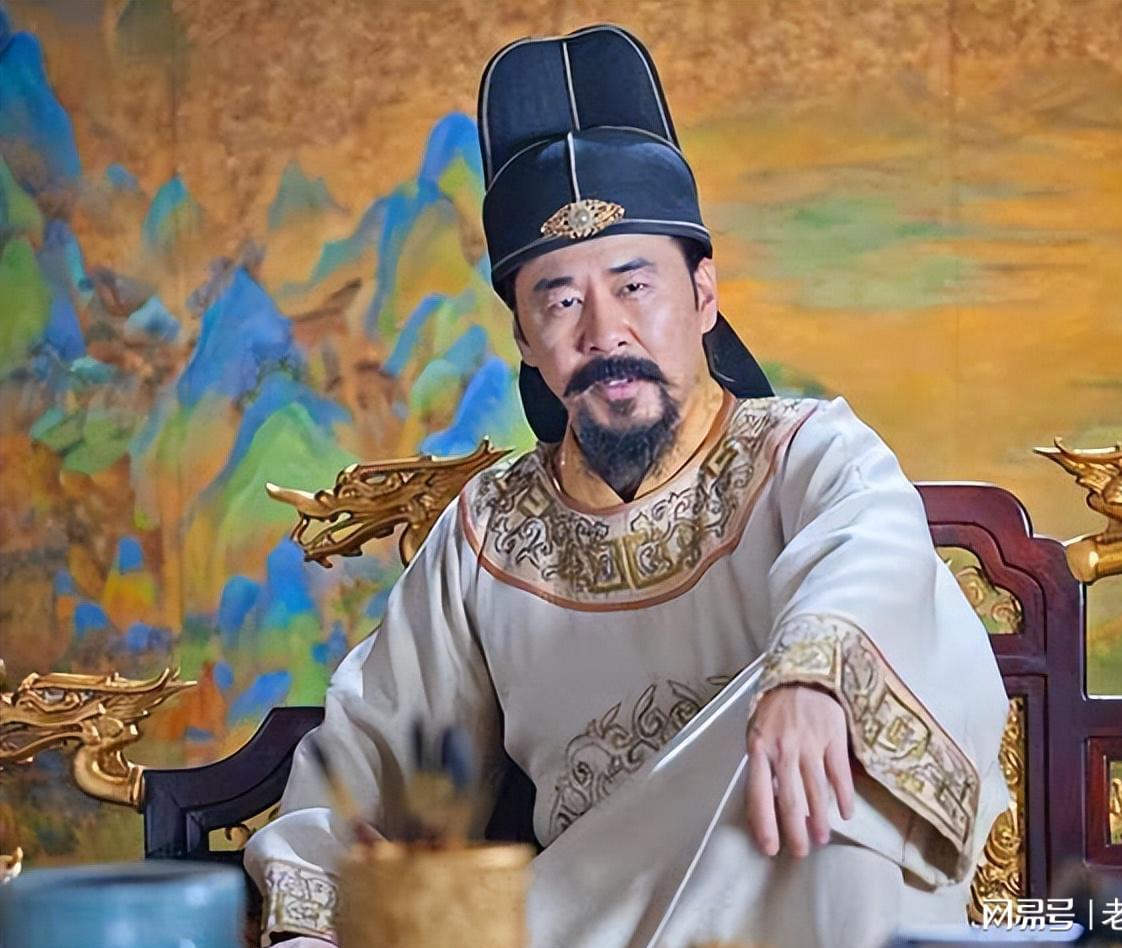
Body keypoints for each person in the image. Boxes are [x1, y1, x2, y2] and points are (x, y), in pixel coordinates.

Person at [245, 24, 1011, 948]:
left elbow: (872, 543)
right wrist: (312, 925)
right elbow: (375, 756)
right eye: (561, 300)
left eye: (635, 284)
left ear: (704, 296)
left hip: (801, 904)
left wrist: (814, 679)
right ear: (524, 339)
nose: (604, 331)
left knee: (846, 725)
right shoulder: (489, 535)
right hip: (583, 924)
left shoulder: (802, 452)